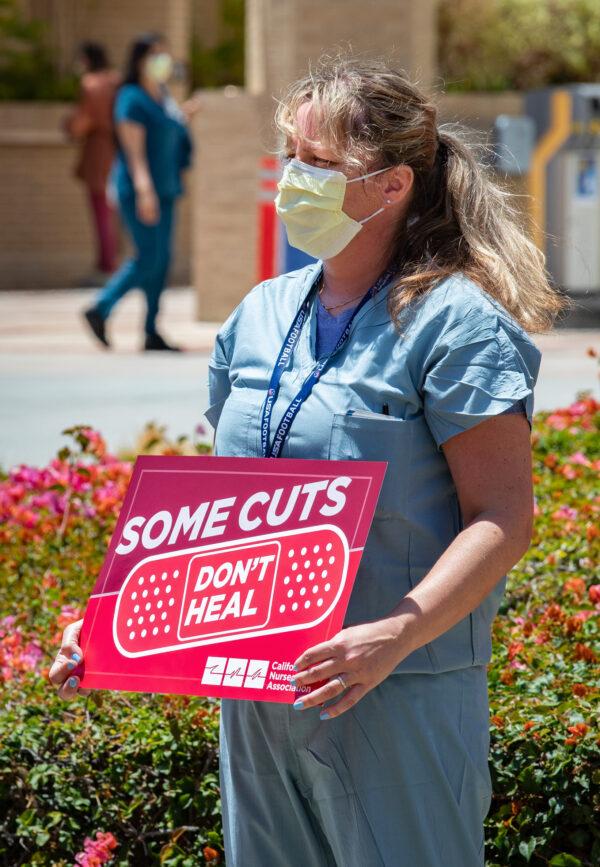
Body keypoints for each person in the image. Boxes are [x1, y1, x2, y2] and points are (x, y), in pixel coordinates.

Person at [51, 56, 567, 866]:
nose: (293, 178)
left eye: (318, 163)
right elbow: (219, 511)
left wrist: (393, 634)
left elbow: (504, 516)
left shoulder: (455, 324)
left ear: (392, 186)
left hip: (398, 687)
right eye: (289, 155)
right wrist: (115, 626)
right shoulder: (258, 316)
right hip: (259, 696)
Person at [82, 33, 199, 352]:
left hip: (167, 188)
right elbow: (133, 151)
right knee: (148, 257)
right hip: (141, 189)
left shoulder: (162, 95)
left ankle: (150, 330)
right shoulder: (130, 97)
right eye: (156, 55)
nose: (164, 62)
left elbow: (169, 132)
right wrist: (144, 189)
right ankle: (101, 307)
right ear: (139, 59)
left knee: (162, 260)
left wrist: (184, 116)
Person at [64, 42, 120, 283]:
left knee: (101, 211)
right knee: (113, 212)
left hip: (99, 153)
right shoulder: (117, 81)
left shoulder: (92, 84)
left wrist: (68, 126)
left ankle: (107, 266)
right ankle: (111, 263)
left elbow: (82, 122)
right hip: (120, 151)